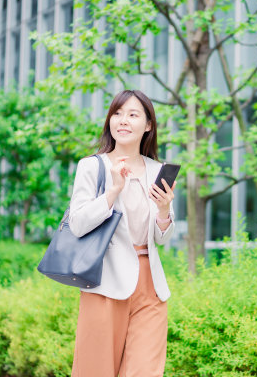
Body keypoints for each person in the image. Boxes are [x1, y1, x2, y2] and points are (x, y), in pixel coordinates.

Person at [67, 89, 176, 377]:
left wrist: (164, 210)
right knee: (96, 370)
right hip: (106, 280)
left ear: (148, 125)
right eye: (117, 113)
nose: (123, 120)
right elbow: (77, 223)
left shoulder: (158, 170)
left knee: (145, 371)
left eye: (132, 114)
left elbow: (162, 238)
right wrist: (112, 192)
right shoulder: (93, 166)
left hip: (150, 284)